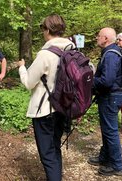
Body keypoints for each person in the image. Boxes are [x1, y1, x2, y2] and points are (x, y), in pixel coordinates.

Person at [17, 14, 75, 181]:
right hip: (64, 107)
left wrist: (22, 68)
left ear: (48, 30)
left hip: (45, 110)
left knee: (47, 153)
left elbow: (29, 83)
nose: (43, 32)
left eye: (43, 29)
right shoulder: (72, 49)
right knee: (55, 146)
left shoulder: (46, 54)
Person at [88, 27, 122, 176]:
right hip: (111, 97)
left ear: (105, 39)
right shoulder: (113, 52)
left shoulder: (110, 55)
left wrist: (90, 81)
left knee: (110, 131)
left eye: (98, 36)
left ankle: (117, 165)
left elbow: (107, 80)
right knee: (107, 130)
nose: (97, 38)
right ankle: (105, 157)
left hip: (111, 97)